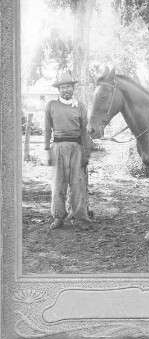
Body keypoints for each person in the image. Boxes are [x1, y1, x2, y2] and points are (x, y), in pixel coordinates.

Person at [44, 71, 91, 229]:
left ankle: (79, 217)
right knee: (58, 184)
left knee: (78, 184)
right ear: (59, 90)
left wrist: (86, 152)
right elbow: (47, 130)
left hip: (76, 148)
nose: (66, 90)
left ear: (73, 89)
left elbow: (84, 131)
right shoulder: (51, 105)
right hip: (57, 148)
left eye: (69, 87)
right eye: (63, 87)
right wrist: (46, 150)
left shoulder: (80, 106)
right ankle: (58, 216)